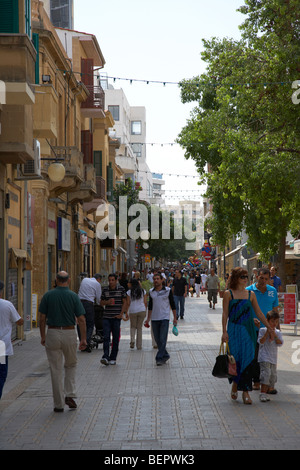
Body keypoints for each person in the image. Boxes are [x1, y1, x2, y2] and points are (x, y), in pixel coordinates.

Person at [222, 267, 274, 405]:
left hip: (248, 331)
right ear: (236, 278)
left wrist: (268, 327)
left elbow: (259, 313)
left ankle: (245, 392)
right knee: (235, 359)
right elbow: (225, 314)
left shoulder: (251, 294)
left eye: (246, 277)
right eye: (242, 277)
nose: (245, 279)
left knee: (248, 358)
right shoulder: (228, 294)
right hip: (233, 330)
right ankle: (235, 384)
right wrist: (224, 331)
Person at [39, 271, 87, 412]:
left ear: (56, 280)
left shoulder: (48, 295)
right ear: (69, 280)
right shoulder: (73, 296)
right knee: (71, 364)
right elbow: (82, 319)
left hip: (52, 332)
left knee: (55, 369)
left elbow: (42, 318)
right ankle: (70, 393)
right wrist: (83, 338)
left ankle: (58, 404)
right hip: (69, 332)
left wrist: (43, 336)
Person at [246, 267, 279, 390]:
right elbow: (245, 311)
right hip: (254, 329)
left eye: (266, 279)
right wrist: (250, 320)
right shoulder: (249, 291)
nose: (263, 281)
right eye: (261, 278)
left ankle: (268, 382)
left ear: (269, 279)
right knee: (255, 356)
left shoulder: (272, 291)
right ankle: (256, 381)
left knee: (268, 357)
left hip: (268, 330)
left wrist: (276, 330)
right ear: (256, 276)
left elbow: (275, 311)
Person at [145, 273, 177, 366]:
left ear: (162, 280)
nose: (156, 280)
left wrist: (175, 318)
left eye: (158, 279)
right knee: (157, 339)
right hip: (154, 318)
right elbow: (150, 306)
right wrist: (148, 319)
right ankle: (165, 355)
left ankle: (159, 358)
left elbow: (173, 304)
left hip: (164, 318)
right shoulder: (151, 291)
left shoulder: (168, 290)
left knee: (163, 338)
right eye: (154, 279)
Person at [0, 280, 24, 400]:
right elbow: (19, 321)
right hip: (2, 345)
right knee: (1, 375)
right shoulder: (7, 305)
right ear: (2, 291)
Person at [100, 273, 127, 366]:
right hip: (106, 317)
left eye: (112, 280)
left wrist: (121, 314)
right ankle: (105, 356)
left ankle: (113, 357)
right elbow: (101, 302)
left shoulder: (121, 289)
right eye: (109, 280)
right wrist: (107, 302)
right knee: (106, 337)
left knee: (115, 338)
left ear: (116, 280)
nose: (111, 282)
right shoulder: (105, 289)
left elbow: (125, 302)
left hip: (116, 318)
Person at [257, 310, 283, 402]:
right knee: (266, 374)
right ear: (267, 321)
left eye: (276, 322)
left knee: (272, 376)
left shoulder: (278, 332)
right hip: (264, 357)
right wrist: (267, 332)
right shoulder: (262, 330)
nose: (274, 324)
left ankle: (268, 391)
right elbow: (261, 341)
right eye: (272, 321)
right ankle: (262, 393)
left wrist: (274, 335)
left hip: (273, 358)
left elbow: (280, 343)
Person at [77, 273, 102, 352]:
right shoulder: (97, 284)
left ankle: (81, 340)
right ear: (99, 279)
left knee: (80, 322)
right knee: (90, 324)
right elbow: (98, 300)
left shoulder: (84, 280)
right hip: (88, 304)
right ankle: (86, 343)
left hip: (79, 303)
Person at [126, 278, 147, 350]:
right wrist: (145, 310)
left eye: (129, 282)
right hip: (142, 310)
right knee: (139, 328)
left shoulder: (129, 292)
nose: (127, 284)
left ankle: (132, 341)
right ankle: (139, 345)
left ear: (132, 284)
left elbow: (128, 303)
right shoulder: (143, 291)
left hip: (133, 310)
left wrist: (126, 312)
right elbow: (145, 302)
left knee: (133, 327)